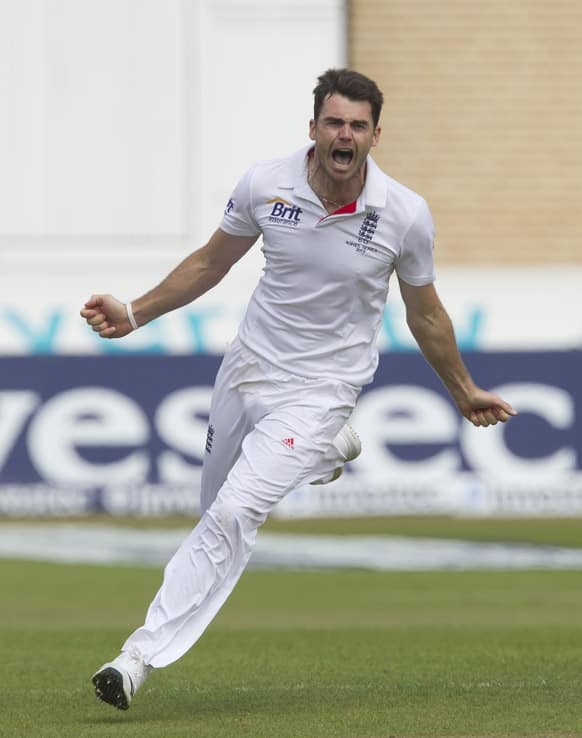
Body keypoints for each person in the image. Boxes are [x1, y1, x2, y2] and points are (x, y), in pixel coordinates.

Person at [81, 68, 517, 710]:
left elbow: (424, 312)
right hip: (249, 369)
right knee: (214, 515)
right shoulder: (266, 182)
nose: (346, 135)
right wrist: (136, 311)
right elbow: (210, 262)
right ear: (313, 128)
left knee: (235, 514)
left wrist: (463, 390)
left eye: (359, 126)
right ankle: (326, 450)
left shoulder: (404, 214)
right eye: (335, 122)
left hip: (323, 384)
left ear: (375, 136)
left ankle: (136, 657)